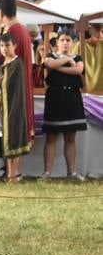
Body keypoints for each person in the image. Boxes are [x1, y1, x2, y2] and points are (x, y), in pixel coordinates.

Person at [41, 31, 86, 179]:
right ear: (57, 42)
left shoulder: (77, 58)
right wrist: (66, 59)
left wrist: (60, 67)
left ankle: (71, 173)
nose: (65, 43)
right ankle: (47, 172)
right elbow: (49, 64)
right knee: (51, 137)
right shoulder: (51, 56)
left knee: (71, 138)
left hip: (72, 98)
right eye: (62, 40)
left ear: (72, 43)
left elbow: (78, 69)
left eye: (68, 40)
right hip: (55, 98)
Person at [0, 33, 30, 182]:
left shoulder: (17, 63)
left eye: (7, 45)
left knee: (14, 139)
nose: (4, 49)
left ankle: (15, 174)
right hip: (3, 107)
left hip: (14, 106)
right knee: (6, 141)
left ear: (14, 46)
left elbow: (7, 83)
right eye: (1, 46)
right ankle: (10, 174)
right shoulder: (2, 64)